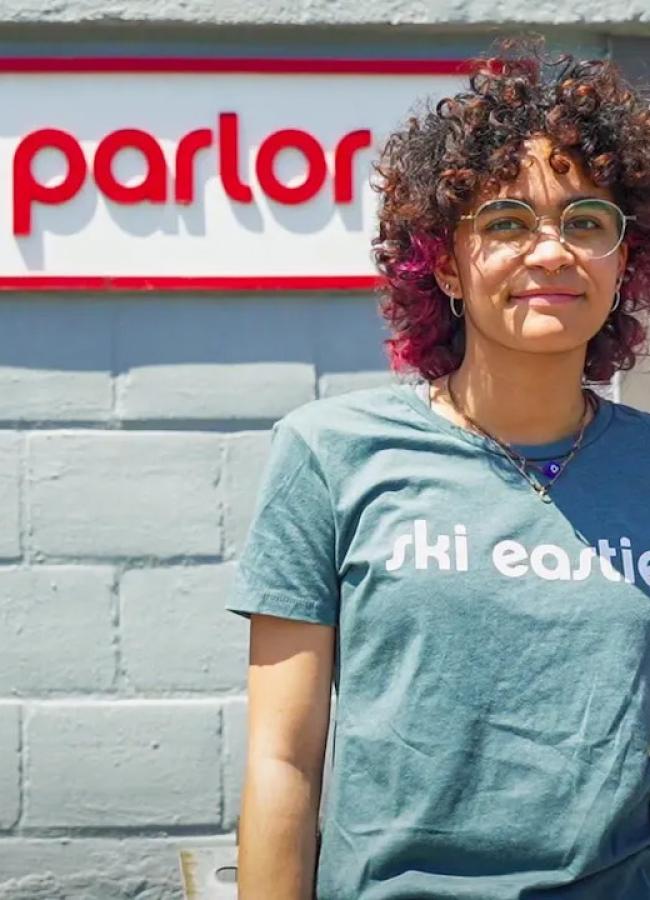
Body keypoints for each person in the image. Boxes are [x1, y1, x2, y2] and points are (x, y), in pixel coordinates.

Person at [226, 37, 650, 899]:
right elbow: (282, 762)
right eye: (505, 223)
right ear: (446, 264)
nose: (550, 251)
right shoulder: (327, 453)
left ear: (621, 262)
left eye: (586, 221)